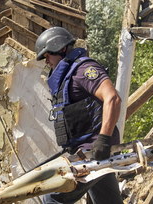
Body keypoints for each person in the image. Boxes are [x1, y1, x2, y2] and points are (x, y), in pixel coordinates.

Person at [34, 26, 123, 204]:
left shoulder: (84, 70)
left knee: (53, 198)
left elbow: (112, 98)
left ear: (61, 48)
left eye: (47, 55)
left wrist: (103, 140)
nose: (46, 61)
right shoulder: (67, 76)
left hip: (94, 151)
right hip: (85, 151)